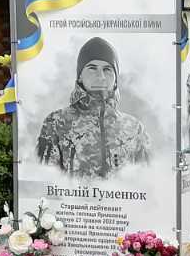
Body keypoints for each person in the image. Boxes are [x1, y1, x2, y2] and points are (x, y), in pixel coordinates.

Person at [36, 36, 152, 178]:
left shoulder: (134, 129)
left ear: (116, 79)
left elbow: (147, 181)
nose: (101, 76)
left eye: (107, 69)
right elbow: (44, 179)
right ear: (80, 76)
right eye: (92, 68)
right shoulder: (56, 123)